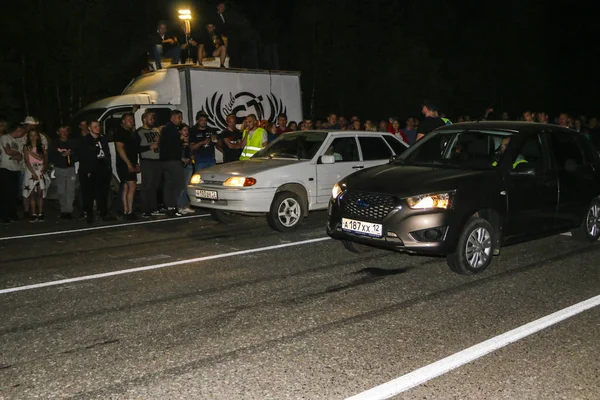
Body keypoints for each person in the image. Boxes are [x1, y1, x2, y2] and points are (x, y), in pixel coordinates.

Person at [77, 120, 113, 223]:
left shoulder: (103, 139)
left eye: (98, 126)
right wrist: (88, 171)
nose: (98, 128)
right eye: (95, 126)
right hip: (91, 170)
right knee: (89, 194)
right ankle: (89, 215)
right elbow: (83, 157)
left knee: (103, 193)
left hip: (103, 168)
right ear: (89, 128)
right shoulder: (85, 141)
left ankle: (103, 213)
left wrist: (108, 167)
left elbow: (107, 153)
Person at [137, 111, 164, 218]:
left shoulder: (156, 130)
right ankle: (145, 209)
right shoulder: (139, 132)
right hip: (147, 161)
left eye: (153, 118)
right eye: (150, 118)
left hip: (158, 160)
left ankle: (153, 207)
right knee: (147, 185)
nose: (152, 120)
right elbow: (136, 148)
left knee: (155, 186)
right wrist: (149, 147)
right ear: (144, 119)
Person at [114, 113, 141, 220]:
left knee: (126, 186)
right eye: (129, 120)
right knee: (132, 185)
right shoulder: (120, 132)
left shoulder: (130, 133)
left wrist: (136, 163)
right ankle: (130, 211)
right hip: (124, 163)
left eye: (132, 119)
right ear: (123, 121)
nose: (131, 121)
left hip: (131, 162)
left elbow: (133, 150)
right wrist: (129, 164)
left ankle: (126, 210)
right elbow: (120, 149)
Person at [160, 110, 184, 216]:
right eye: (179, 117)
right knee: (178, 184)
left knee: (168, 184)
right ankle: (175, 205)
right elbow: (175, 145)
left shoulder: (165, 129)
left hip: (165, 161)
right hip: (173, 161)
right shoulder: (173, 130)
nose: (180, 120)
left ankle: (169, 205)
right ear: (172, 117)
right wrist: (181, 140)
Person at [49, 125, 76, 219]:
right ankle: (63, 210)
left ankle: (69, 211)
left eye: (66, 131)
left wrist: (71, 155)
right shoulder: (54, 143)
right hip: (59, 169)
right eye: (62, 131)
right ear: (58, 132)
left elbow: (77, 155)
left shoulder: (72, 142)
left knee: (70, 191)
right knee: (61, 191)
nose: (64, 133)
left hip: (70, 169)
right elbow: (51, 157)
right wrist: (62, 155)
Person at [22, 130, 49, 222]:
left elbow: (42, 158)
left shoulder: (41, 147)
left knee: (40, 193)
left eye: (35, 135)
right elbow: (26, 161)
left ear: (38, 136)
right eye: (31, 135)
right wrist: (32, 173)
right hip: (30, 171)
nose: (33, 137)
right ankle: (33, 213)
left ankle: (41, 213)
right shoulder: (26, 147)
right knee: (31, 194)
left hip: (40, 169)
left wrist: (30, 152)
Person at [0, 126, 24, 222]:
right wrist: (17, 154)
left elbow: (20, 156)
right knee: (5, 193)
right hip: (5, 168)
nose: (22, 134)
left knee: (13, 193)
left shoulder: (17, 141)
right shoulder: (5, 137)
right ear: (17, 129)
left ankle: (12, 213)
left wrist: (17, 154)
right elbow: (8, 151)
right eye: (22, 131)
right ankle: (4, 215)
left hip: (15, 169)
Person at [177, 124, 195, 214]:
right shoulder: (177, 141)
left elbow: (190, 153)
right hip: (180, 166)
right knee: (181, 187)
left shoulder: (188, 141)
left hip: (188, 165)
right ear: (180, 131)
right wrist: (182, 158)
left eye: (187, 130)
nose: (186, 132)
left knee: (186, 187)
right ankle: (180, 206)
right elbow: (174, 153)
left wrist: (191, 157)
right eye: (184, 130)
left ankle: (185, 205)